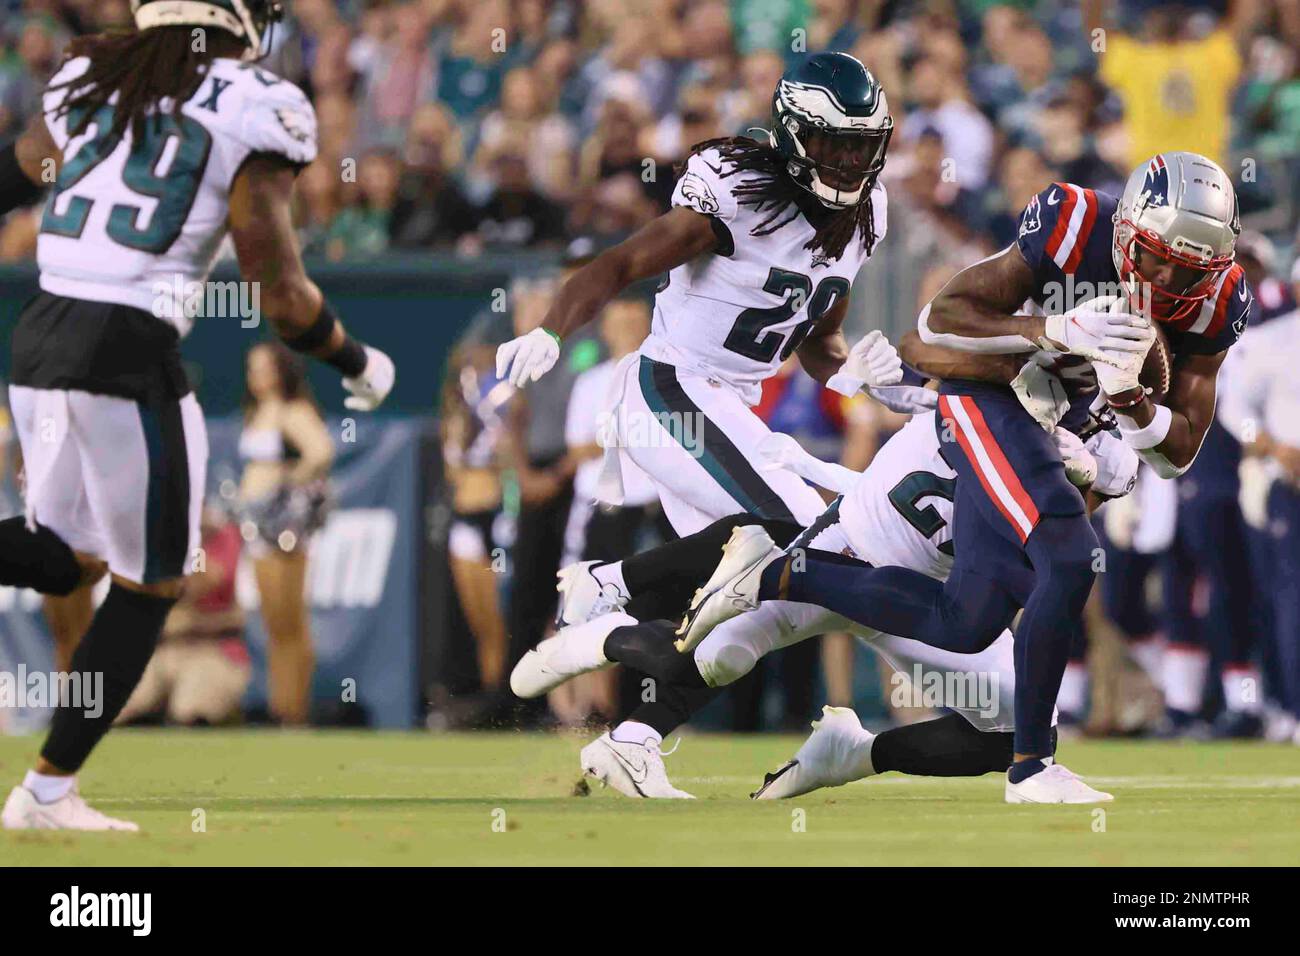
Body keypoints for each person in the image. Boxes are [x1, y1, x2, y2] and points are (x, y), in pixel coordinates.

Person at [679, 151, 1251, 803]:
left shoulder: (1218, 303)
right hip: (990, 397)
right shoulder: (1073, 225)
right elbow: (936, 324)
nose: (1171, 279)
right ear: (1126, 231)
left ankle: (773, 573)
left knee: (968, 620)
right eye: (1156, 257)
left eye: (1193, 269)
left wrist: (1131, 403)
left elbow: (1174, 454)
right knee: (1068, 553)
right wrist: (1052, 330)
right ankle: (1033, 770)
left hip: (1047, 430)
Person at [0, 0, 394, 831]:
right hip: (127, 344)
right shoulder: (256, 101)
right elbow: (280, 295)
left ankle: (47, 794)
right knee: (153, 583)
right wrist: (354, 359)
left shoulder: (99, 70)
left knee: (67, 561)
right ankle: (44, 794)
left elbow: (16, 171)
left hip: (38, 333)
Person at [497, 51, 903, 772]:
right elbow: (617, 265)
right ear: (793, 135)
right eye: (835, 143)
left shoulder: (864, 214)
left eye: (861, 146)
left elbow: (817, 341)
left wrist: (859, 376)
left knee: (753, 614)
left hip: (732, 406)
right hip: (669, 389)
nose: (848, 162)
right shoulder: (741, 195)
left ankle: (621, 709)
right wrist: (549, 329)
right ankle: (608, 583)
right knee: (794, 531)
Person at [511, 353, 1142, 798]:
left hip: (916, 601)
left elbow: (1051, 538)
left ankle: (856, 754)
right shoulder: (980, 402)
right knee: (710, 659)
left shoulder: (1061, 455)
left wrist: (1087, 479)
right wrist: (886, 378)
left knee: (1017, 731)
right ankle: (603, 635)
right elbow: (932, 369)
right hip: (846, 553)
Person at [239, 342, 334, 726]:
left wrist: (287, 482)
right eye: (251, 368)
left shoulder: (294, 411)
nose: (256, 376)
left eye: (264, 368)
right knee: (273, 623)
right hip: (258, 526)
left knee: (291, 621)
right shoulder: (259, 412)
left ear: (281, 371)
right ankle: (282, 706)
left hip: (283, 526)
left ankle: (295, 710)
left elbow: (321, 451)